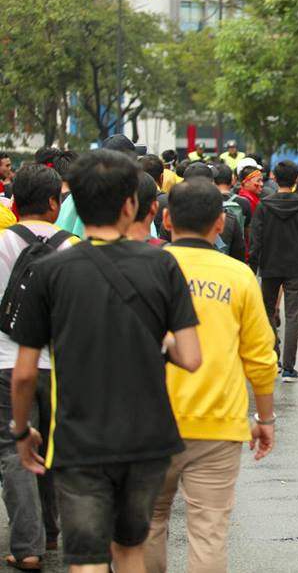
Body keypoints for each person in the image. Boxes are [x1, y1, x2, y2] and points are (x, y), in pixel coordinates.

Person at [9, 150, 201, 573]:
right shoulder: (162, 264)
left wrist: (22, 431)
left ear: (72, 199)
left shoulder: (51, 272)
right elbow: (191, 357)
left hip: (80, 440)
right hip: (148, 438)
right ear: (131, 204)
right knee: (129, 550)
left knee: (87, 560)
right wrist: (161, 340)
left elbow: (24, 374)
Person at [146, 179, 276, 573]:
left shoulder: (143, 267)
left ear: (166, 219)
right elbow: (260, 358)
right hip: (219, 423)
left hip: (147, 422)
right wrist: (265, 418)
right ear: (221, 223)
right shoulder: (238, 276)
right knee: (209, 532)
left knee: (147, 525)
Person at [0, 165, 76, 571]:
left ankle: (27, 547)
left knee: (16, 447)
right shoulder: (74, 248)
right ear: (53, 203)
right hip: (58, 365)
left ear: (14, 202)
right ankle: (52, 531)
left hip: (5, 363)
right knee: (51, 446)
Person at [249, 160, 298, 382]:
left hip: (269, 265)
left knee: (268, 312)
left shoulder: (263, 206)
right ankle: (289, 368)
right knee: (292, 316)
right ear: (296, 179)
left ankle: (273, 355)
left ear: (274, 178)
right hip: (296, 267)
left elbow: (256, 241)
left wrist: (253, 267)